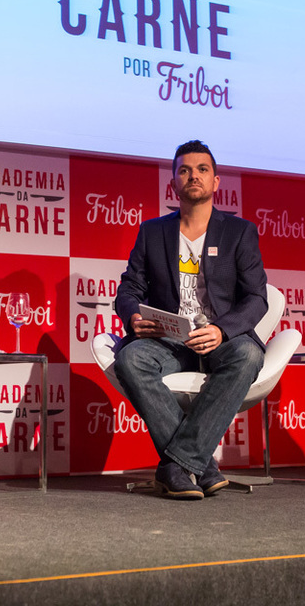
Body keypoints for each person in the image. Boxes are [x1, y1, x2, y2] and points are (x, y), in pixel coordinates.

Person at [113, 140, 268, 499]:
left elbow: (257, 298)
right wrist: (134, 315)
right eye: (184, 170)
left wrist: (220, 330)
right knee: (130, 359)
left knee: (248, 355)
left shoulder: (238, 232)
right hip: (169, 341)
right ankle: (201, 465)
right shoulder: (153, 232)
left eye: (202, 170)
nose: (193, 176)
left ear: (216, 182)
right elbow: (128, 289)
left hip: (221, 339)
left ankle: (177, 466)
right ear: (173, 184)